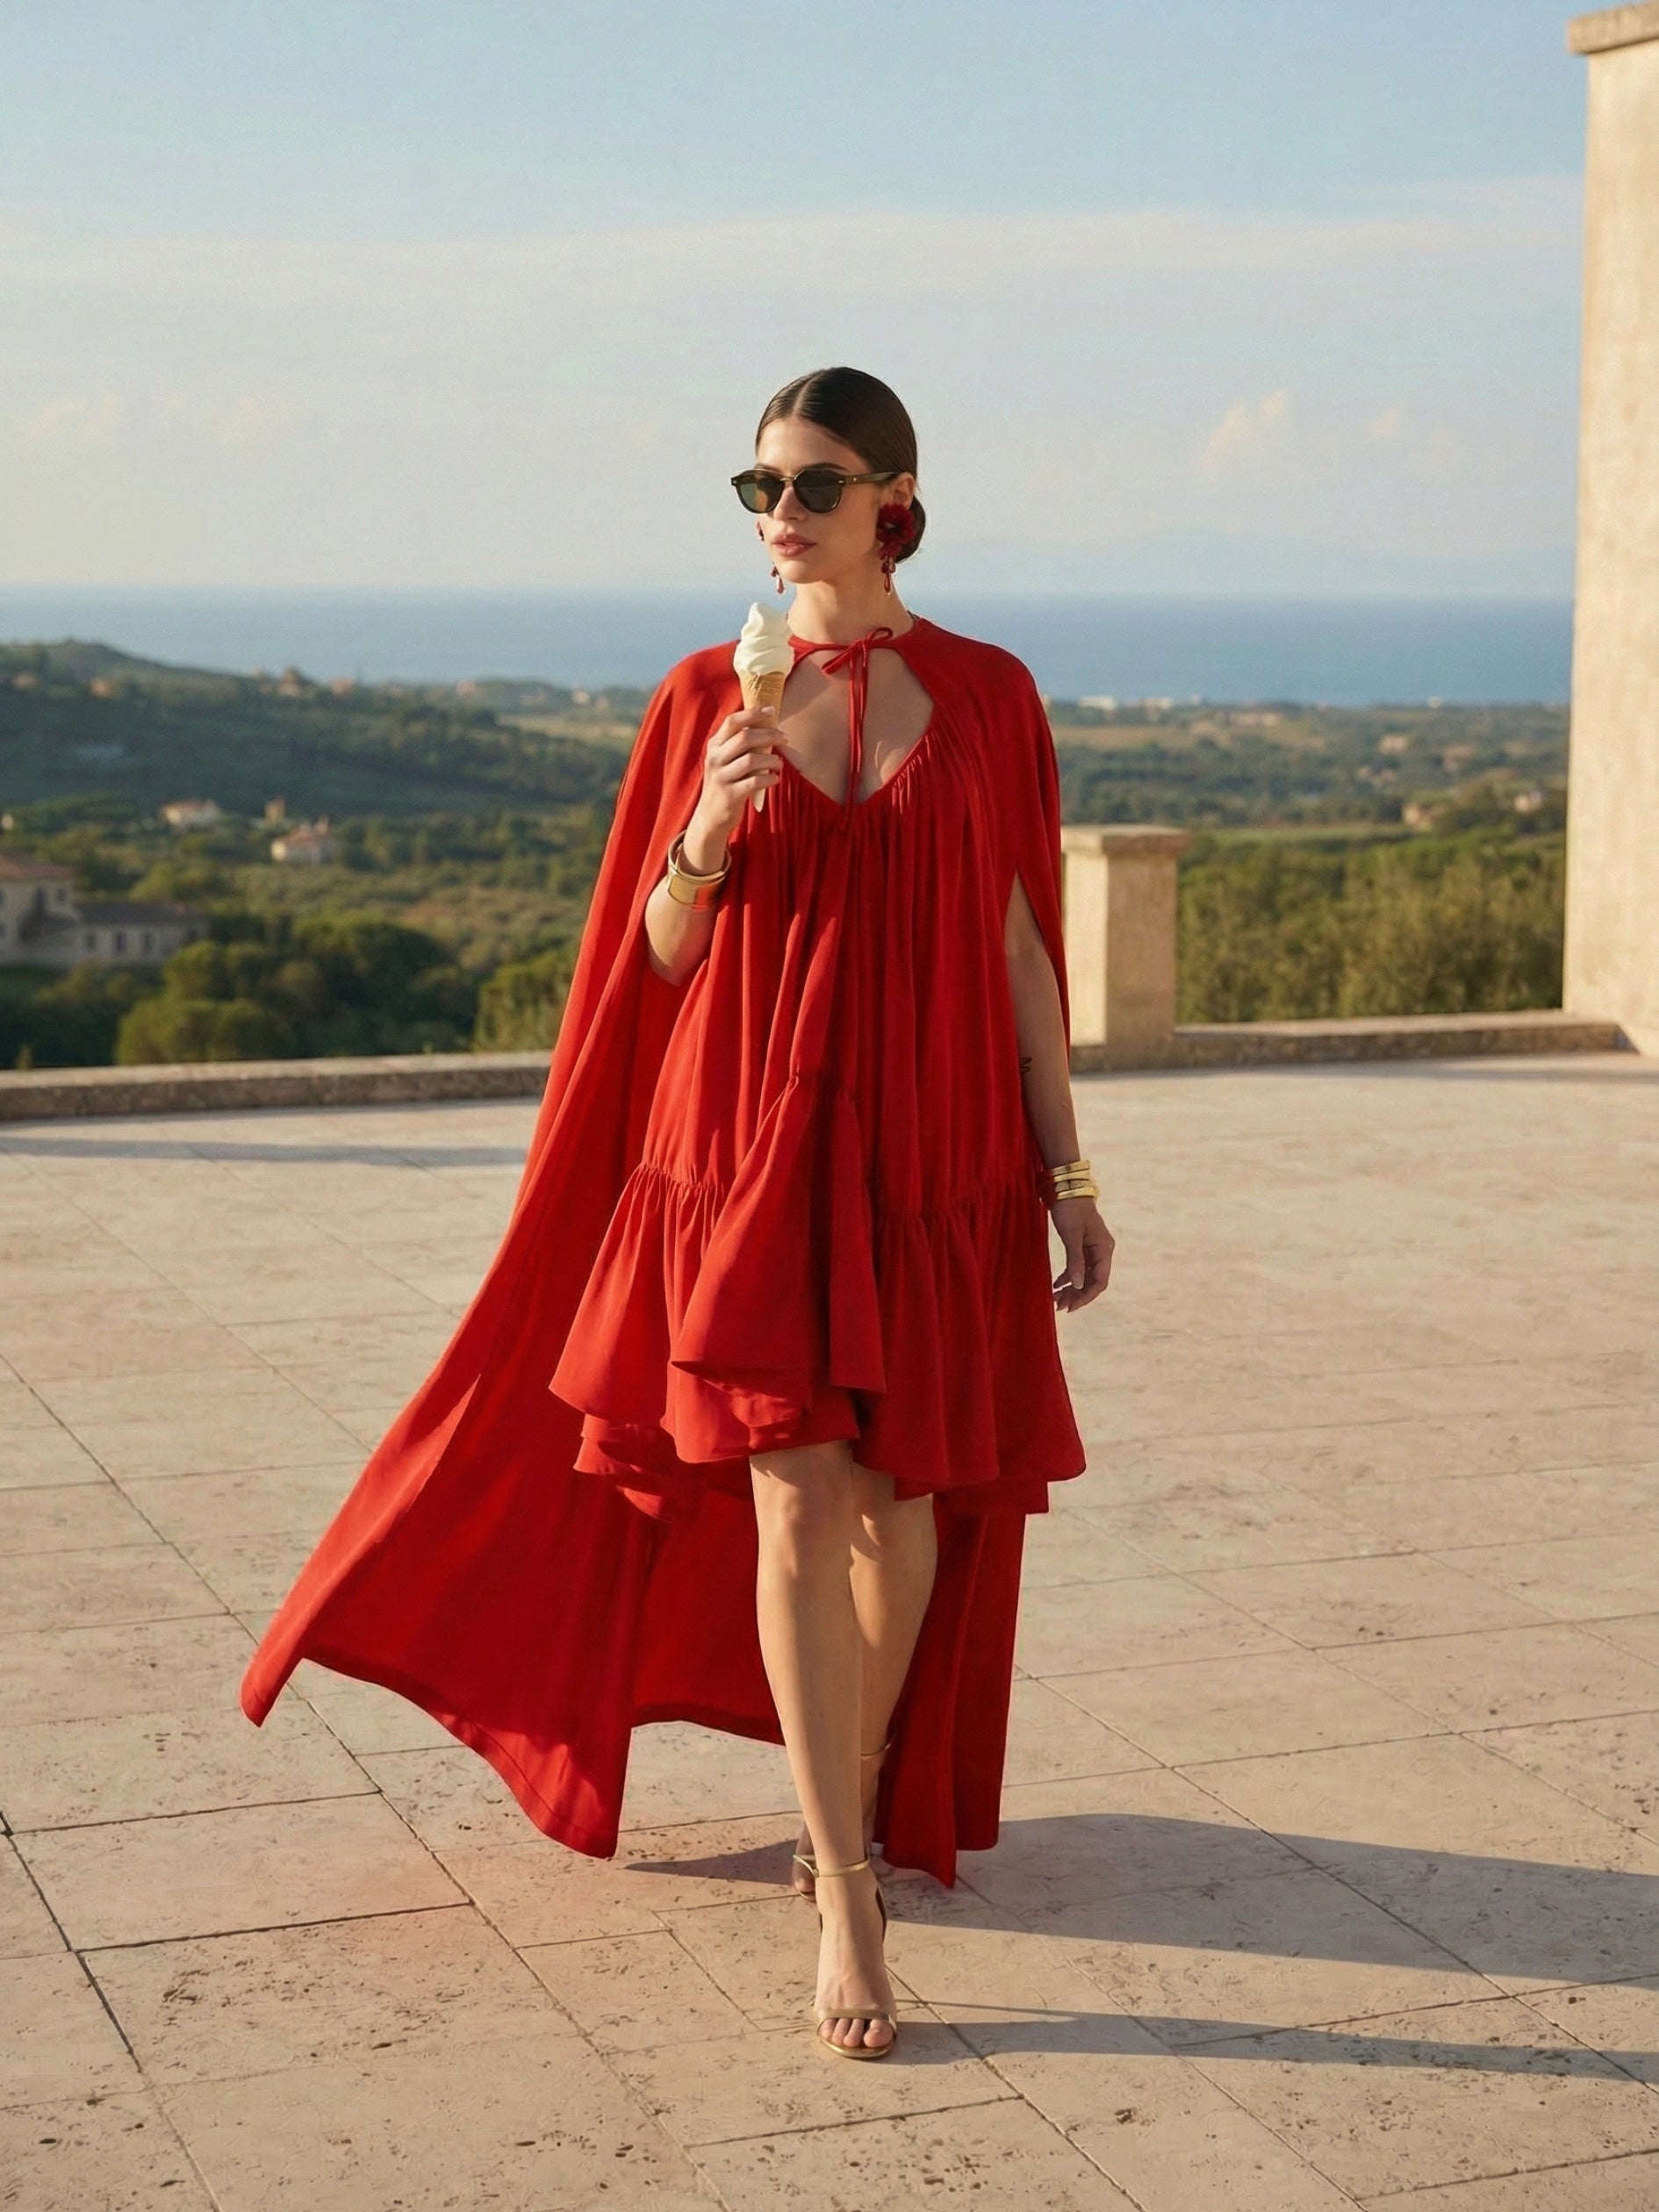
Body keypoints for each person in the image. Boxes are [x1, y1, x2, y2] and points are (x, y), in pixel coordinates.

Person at [241, 365, 1114, 2065]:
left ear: (896, 499)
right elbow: (654, 957)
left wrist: (1063, 1168)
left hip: (933, 1157)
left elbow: (1021, 952)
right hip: (746, 1148)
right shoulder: (701, 694)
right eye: (757, 486)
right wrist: (708, 829)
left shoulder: (994, 697)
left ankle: (846, 1786)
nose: (777, 512)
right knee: (796, 1489)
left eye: (811, 482)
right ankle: (848, 1895)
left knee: (906, 1499)